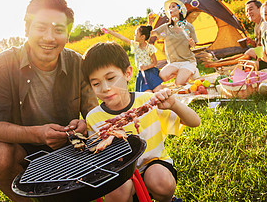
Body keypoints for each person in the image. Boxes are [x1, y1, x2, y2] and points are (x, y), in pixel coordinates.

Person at [0, 0, 98, 201]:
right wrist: (38, 134)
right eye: (41, 28)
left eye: (58, 30)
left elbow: (95, 114)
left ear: (68, 34)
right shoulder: (4, 63)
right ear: (27, 29)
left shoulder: (77, 63)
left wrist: (84, 124)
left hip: (70, 145)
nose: (49, 38)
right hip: (24, 151)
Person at [82, 42, 200, 202]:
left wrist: (174, 105)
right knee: (116, 194)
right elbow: (97, 155)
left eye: (110, 78)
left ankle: (168, 199)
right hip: (121, 173)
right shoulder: (93, 118)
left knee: (160, 180)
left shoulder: (147, 101)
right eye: (96, 83)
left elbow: (194, 122)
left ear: (127, 73)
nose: (105, 88)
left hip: (154, 165)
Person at [148, 0, 199, 86]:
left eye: (173, 6)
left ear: (180, 10)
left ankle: (191, 70)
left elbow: (194, 45)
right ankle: (182, 73)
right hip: (174, 63)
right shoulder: (165, 27)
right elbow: (149, 34)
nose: (170, 9)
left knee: (178, 83)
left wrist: (192, 44)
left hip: (188, 61)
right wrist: (150, 21)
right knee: (161, 77)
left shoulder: (189, 27)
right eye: (169, 7)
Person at [102, 25, 164, 92]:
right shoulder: (135, 45)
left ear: (142, 37)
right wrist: (109, 31)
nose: (134, 35)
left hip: (151, 73)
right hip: (142, 75)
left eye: (136, 34)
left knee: (158, 90)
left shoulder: (149, 48)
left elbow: (155, 62)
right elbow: (122, 37)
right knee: (147, 94)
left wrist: (146, 67)